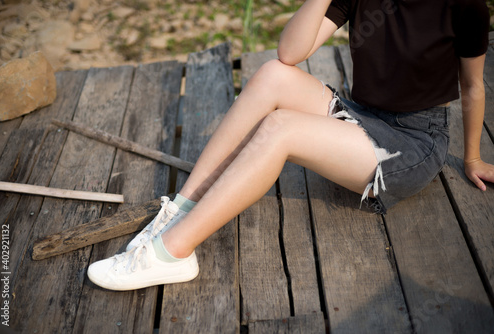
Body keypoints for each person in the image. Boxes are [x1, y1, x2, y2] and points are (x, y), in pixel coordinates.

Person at [87, 0, 493, 291]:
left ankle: (173, 253)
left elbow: (473, 86)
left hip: (411, 143)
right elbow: (290, 53)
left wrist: (472, 156)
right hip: (364, 115)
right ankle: (179, 211)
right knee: (271, 75)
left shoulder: (466, 6)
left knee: (280, 128)